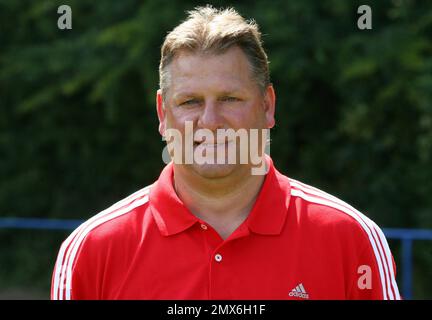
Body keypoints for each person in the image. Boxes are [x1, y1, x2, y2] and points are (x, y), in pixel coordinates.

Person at [51, 5, 401, 300]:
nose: (210, 121)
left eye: (230, 99)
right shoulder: (92, 251)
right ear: (162, 114)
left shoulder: (350, 238)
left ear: (267, 106)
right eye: (190, 102)